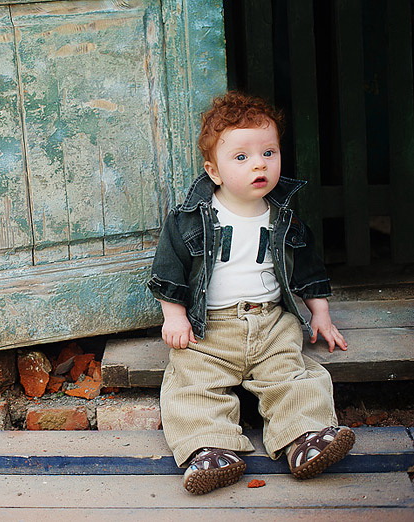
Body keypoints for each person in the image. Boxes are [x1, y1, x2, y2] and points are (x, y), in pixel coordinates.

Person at [147, 91, 354, 495]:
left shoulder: (284, 217)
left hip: (271, 322)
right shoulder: (190, 219)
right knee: (192, 384)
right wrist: (174, 316)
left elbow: (308, 268)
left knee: (293, 377)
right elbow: (169, 269)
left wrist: (321, 314)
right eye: (241, 157)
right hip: (210, 330)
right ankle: (210, 450)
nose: (259, 164)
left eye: (268, 153)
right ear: (214, 171)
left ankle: (306, 438)